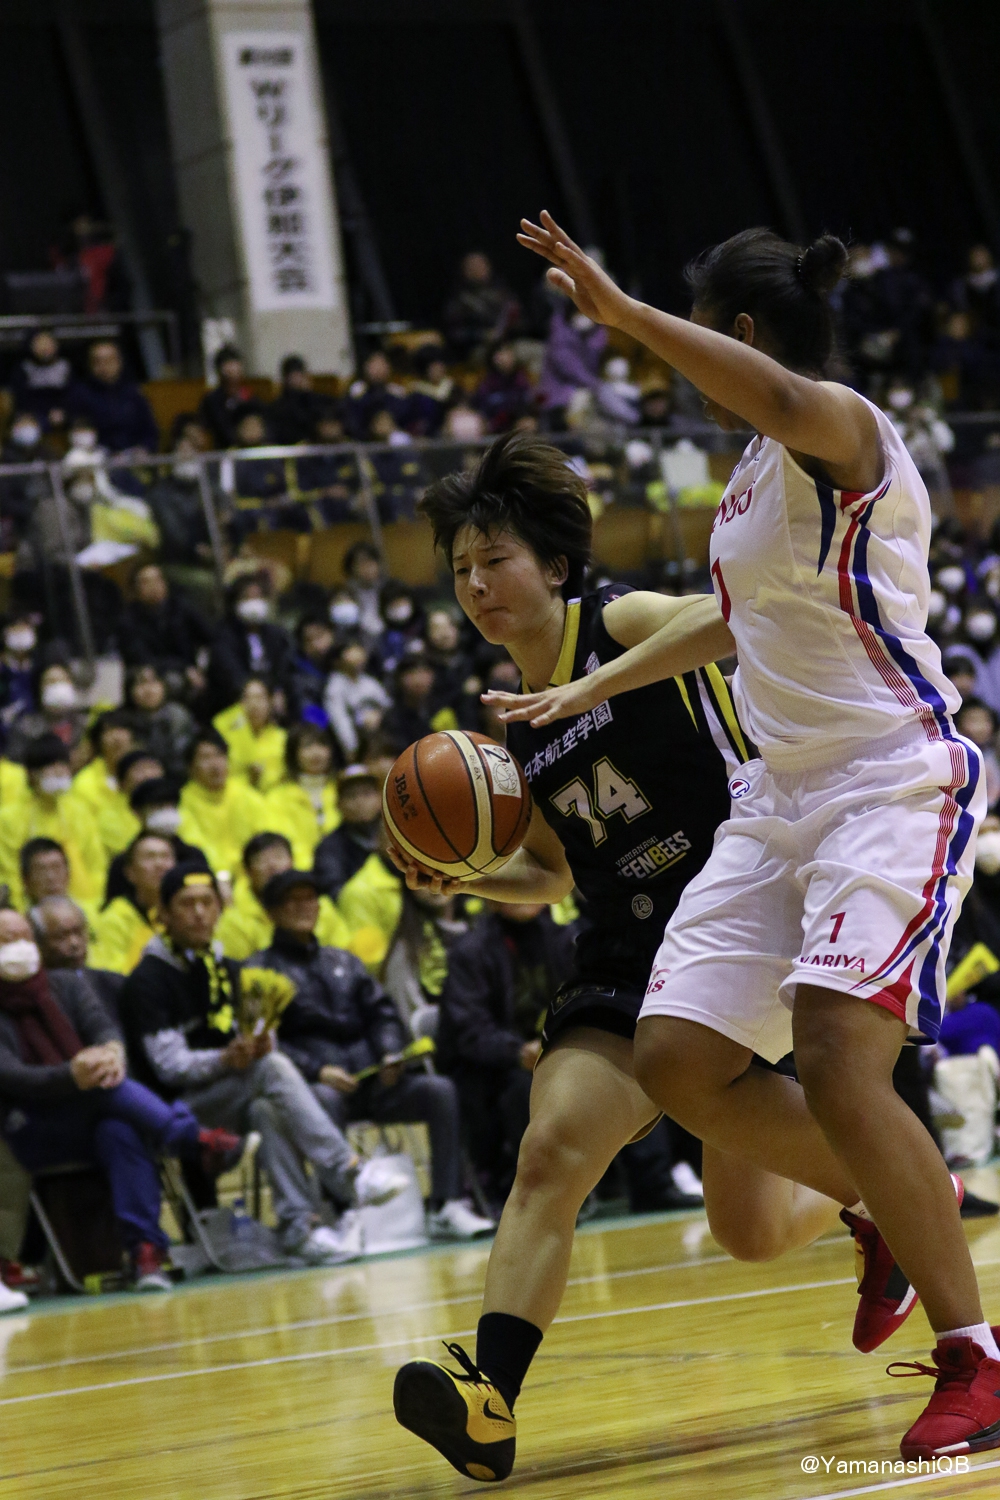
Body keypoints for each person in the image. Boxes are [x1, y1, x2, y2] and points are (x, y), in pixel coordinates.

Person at [492, 213, 996, 1463]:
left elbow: (772, 392)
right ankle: (884, 1205)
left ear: (745, 332)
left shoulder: (842, 429)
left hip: (888, 779)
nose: (697, 375)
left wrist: (622, 316)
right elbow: (733, 619)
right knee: (674, 1057)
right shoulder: (751, 485)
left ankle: (975, 1358)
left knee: (834, 1051)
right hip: (780, 801)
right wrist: (588, 687)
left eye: (707, 338)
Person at [391, 430, 796, 1481]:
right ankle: (489, 1403)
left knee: (749, 1228)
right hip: (623, 947)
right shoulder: (515, 731)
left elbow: (734, 615)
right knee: (553, 1150)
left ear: (557, 566)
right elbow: (551, 872)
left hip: (737, 921)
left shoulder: (616, 620)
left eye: (496, 560)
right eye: (462, 570)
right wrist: (467, 878)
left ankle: (887, 1201)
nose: (477, 585)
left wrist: (599, 683)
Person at [122, 863, 407, 1262]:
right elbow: (169, 1067)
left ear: (220, 910)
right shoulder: (147, 980)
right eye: (187, 904)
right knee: (270, 1069)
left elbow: (259, 1033)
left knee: (267, 1108)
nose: (200, 913)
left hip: (233, 1096)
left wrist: (258, 1043)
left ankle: (299, 1227)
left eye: (207, 902)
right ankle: (348, 1171)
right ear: (164, 915)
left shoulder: (228, 969)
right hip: (175, 1112)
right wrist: (227, 1058)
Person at [0, 906, 241, 1291]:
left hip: (93, 1113)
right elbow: (11, 1075)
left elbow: (103, 1028)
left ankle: (145, 1252)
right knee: (106, 1092)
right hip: (29, 1127)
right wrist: (71, 1075)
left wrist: (111, 1053)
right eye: (7, 940)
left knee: (119, 1130)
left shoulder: (65, 985)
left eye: (24, 937)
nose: (19, 947)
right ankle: (191, 1137)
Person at [255, 869, 494, 1241]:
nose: (304, 907)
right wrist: (318, 1070)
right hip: (321, 1086)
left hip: (374, 1080)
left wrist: (388, 1053)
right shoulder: (260, 971)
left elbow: (382, 1014)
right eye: (292, 901)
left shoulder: (344, 961)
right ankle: (346, 1212)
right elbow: (267, 1043)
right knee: (323, 1099)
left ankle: (446, 1204)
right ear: (271, 912)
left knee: (440, 1091)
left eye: (309, 898)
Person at [437, 900, 575, 1201]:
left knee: (623, 1058)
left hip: (553, 1052)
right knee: (526, 1086)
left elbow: (583, 998)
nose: (522, 894)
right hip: (491, 1067)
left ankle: (652, 1182)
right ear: (492, 896)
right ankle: (537, 1191)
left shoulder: (564, 940)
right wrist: (518, 1051)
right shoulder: (470, 950)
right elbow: (469, 1030)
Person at [0, 736, 105, 910]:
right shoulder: (9, 818)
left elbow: (96, 867)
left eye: (63, 765)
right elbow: (9, 876)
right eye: (50, 766)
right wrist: (26, 913)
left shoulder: (79, 812)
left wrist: (91, 908)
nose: (59, 771)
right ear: (31, 774)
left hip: (82, 907)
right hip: (30, 910)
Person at [216, 831, 351, 961]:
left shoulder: (321, 906)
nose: (272, 866)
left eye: (279, 857)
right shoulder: (234, 921)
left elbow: (345, 952)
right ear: (248, 872)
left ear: (292, 862)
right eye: (261, 860)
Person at [178, 727, 265, 877]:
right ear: (191, 768)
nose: (215, 764)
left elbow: (264, 837)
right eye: (206, 758)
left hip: (251, 873)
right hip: (209, 874)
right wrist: (223, 874)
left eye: (219, 755)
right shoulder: (183, 802)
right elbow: (194, 846)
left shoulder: (247, 795)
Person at [206, 574, 295, 717]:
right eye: (247, 598)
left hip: (271, 698)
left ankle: (316, 725)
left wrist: (277, 690)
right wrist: (259, 696)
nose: (254, 603)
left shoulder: (276, 635)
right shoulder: (223, 635)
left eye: (258, 597)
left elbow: (283, 669)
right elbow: (232, 676)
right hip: (236, 701)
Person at [90, 832, 177, 975]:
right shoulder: (115, 918)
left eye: (165, 857)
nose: (159, 864)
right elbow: (111, 976)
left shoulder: (183, 911)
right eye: (150, 857)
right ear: (130, 873)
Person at [118, 563, 213, 691]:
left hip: (190, 667)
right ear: (135, 589)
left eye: (158, 579)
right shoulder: (128, 620)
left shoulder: (181, 607)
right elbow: (142, 658)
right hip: (155, 673)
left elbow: (209, 636)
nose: (154, 586)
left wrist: (202, 667)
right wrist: (184, 668)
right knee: (171, 680)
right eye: (146, 582)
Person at [264, 724, 341, 868]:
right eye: (307, 746)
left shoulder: (341, 790)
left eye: (322, 745)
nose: (316, 752)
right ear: (293, 754)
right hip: (300, 871)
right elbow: (281, 844)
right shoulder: (277, 798)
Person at [69, 340, 159, 455]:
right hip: (99, 456)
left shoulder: (134, 393)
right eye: (97, 362)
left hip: (134, 456)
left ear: (119, 362)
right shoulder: (80, 395)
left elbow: (150, 431)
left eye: (109, 360)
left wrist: (145, 449)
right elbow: (79, 432)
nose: (103, 366)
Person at [313, 764, 383, 900]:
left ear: (380, 798)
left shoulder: (397, 837)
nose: (360, 802)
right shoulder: (329, 848)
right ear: (338, 805)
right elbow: (336, 893)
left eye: (367, 794)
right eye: (351, 796)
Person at [443, 252, 520, 363]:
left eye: (482, 264)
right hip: (479, 348)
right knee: (500, 359)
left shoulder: (502, 292)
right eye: (474, 266)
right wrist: (483, 335)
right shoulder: (459, 299)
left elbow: (522, 320)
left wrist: (513, 326)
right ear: (465, 270)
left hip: (509, 343)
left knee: (537, 351)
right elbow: (454, 333)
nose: (479, 269)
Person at [214, 676, 287, 793]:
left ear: (270, 702)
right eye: (247, 698)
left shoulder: (282, 737)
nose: (254, 705)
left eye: (259, 698)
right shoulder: (224, 732)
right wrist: (249, 779)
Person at [323, 638, 391, 763]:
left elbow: (388, 706)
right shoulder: (335, 686)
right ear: (337, 660)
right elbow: (340, 721)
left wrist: (380, 716)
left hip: (379, 739)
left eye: (359, 650)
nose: (357, 655)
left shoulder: (369, 681)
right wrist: (352, 749)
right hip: (354, 747)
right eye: (350, 650)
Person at [124, 664, 198, 778]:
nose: (148, 690)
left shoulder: (178, 715)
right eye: (140, 683)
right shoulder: (124, 722)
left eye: (153, 682)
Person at [10, 329, 72, 432]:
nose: (45, 348)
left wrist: (63, 410)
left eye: (48, 343)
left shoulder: (65, 367)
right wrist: (27, 415)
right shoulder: (24, 368)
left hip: (60, 413)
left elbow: (72, 395)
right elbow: (19, 397)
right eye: (40, 344)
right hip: (32, 414)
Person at [198, 346, 252, 449]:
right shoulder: (211, 401)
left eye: (235, 366)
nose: (232, 371)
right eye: (228, 366)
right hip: (221, 451)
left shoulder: (250, 397)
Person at [268, 355, 328, 445]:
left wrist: (307, 394)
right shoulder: (278, 406)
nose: (296, 379)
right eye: (292, 376)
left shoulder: (316, 400)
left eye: (299, 375)